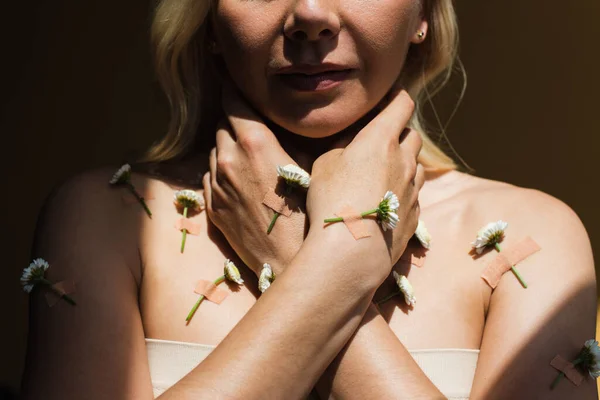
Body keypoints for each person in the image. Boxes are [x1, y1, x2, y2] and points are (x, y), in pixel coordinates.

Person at [20, 0, 597, 399]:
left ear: (423, 12)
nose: (311, 17)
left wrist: (291, 251)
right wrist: (343, 262)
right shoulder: (108, 219)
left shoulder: (535, 237)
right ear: (211, 21)